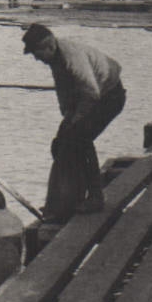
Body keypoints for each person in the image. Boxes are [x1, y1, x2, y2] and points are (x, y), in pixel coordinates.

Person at [23, 23, 126, 222]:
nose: (36, 59)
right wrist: (66, 121)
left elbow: (91, 93)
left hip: (110, 95)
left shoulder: (71, 56)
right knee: (61, 142)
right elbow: (63, 93)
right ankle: (67, 200)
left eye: (36, 54)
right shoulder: (55, 60)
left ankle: (95, 197)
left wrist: (75, 121)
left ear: (49, 46)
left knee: (80, 138)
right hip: (92, 97)